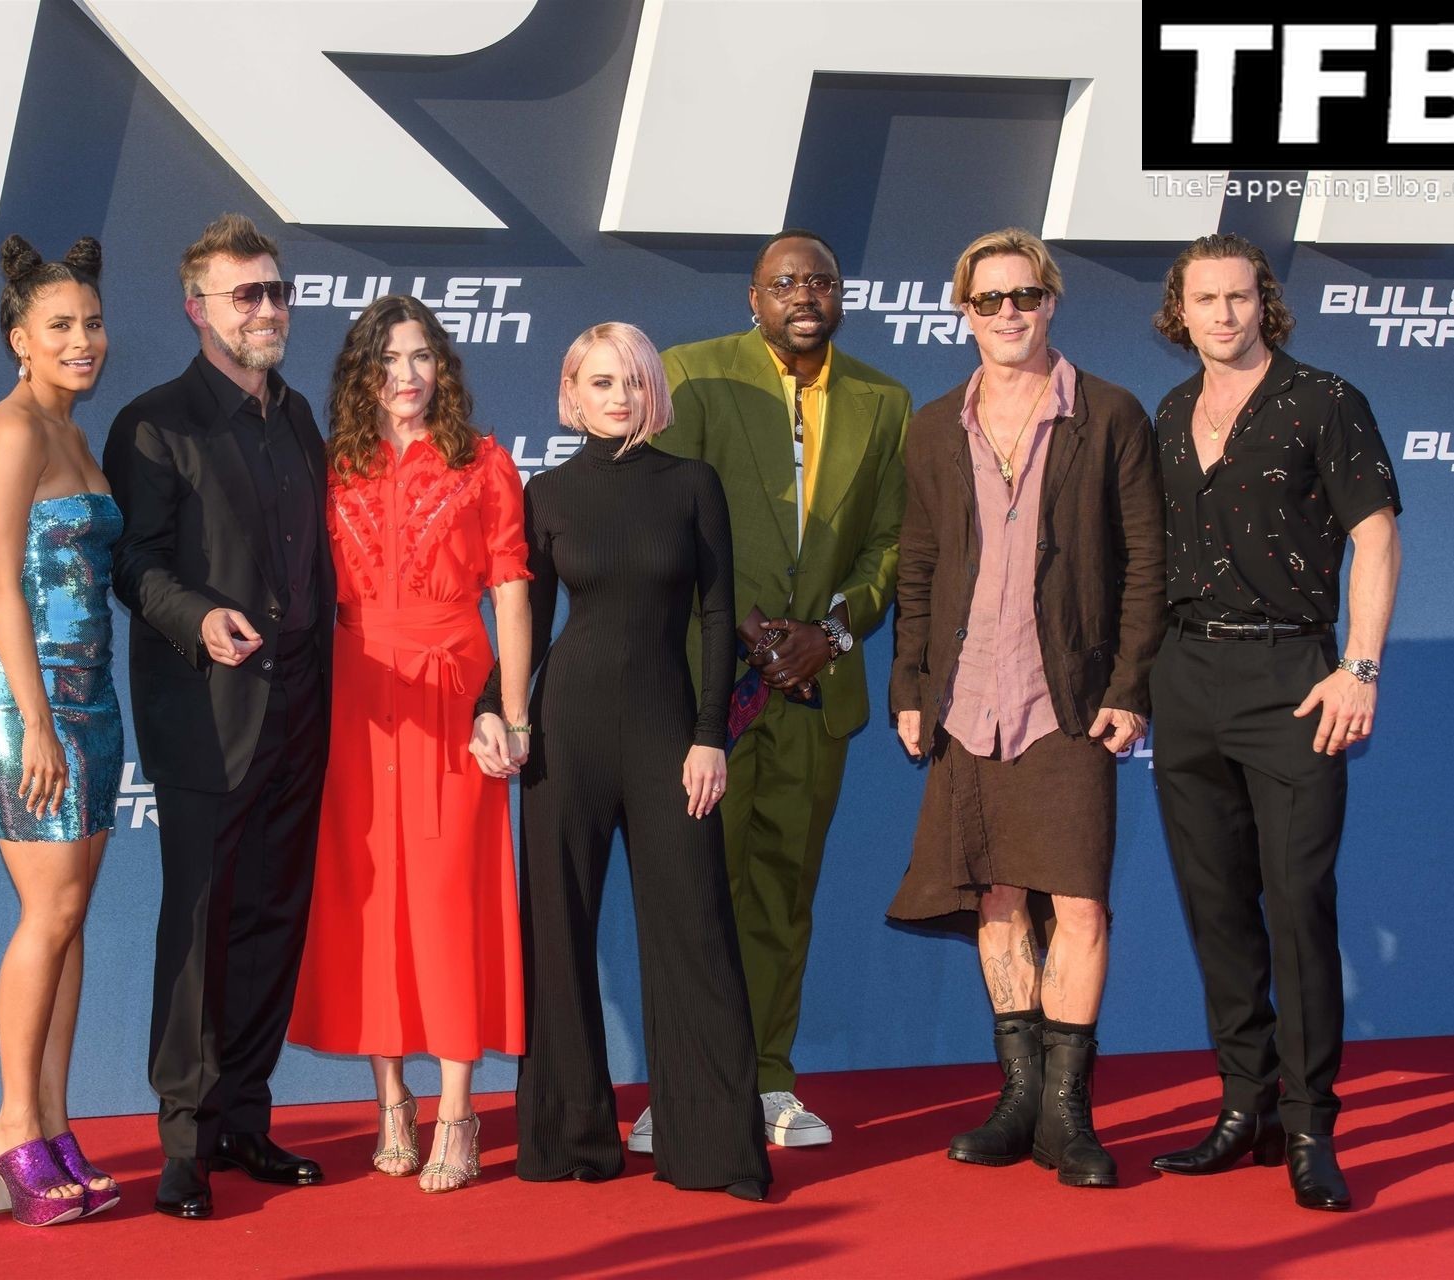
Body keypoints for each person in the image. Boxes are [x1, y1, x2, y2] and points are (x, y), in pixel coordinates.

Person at [885, 228, 1164, 1188]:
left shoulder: (1111, 414)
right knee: (997, 897)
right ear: (963, 312)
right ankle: (1019, 1100)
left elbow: (1146, 565)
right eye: (988, 299)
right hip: (966, 700)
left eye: (1025, 296)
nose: (1008, 314)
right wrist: (910, 686)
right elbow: (918, 565)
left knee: (1078, 901)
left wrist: (1130, 685)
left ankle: (1066, 1115)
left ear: (1052, 301)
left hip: (1069, 700)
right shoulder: (934, 427)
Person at [480, 323, 771, 1200]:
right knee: (556, 931)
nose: (618, 397)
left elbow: (717, 616)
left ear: (654, 391)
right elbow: (527, 622)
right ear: (571, 393)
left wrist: (710, 732)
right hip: (565, 731)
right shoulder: (547, 493)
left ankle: (713, 1150)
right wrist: (492, 705)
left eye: (632, 381)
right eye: (600, 382)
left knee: (695, 929)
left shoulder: (692, 484)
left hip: (667, 731)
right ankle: (570, 1139)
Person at [1146, 234, 1401, 1212]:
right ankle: (1242, 1106)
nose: (1224, 314)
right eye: (1205, 299)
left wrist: (1359, 666)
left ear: (1266, 303)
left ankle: (1308, 1126)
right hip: (1186, 674)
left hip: (1293, 675)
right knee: (1215, 906)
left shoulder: (1324, 401)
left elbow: (1376, 535)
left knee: (1296, 905)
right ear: (1180, 310)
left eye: (1240, 297)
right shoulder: (1171, 414)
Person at [645, 229, 910, 1148]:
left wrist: (829, 634)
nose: (805, 294)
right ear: (752, 299)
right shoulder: (693, 374)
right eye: (785, 281)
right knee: (695, 893)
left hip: (815, 690)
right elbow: (665, 513)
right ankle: (686, 1086)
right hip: (708, 686)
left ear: (841, 297)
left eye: (821, 281)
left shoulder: (884, 399)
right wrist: (750, 628)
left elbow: (891, 546)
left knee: (782, 897)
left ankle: (767, 1082)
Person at [102, 214, 332, 1220]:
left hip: (303, 709)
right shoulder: (153, 423)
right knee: (199, 928)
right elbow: (133, 564)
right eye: (247, 295)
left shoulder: (299, 417)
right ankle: (184, 1144)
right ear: (198, 309)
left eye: (277, 291)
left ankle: (245, 1117)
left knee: (273, 919)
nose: (269, 309)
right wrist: (199, 618)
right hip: (207, 713)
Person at [286, 294, 532, 1194]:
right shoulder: (333, 467)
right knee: (371, 897)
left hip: (451, 694)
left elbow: (511, 591)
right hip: (355, 698)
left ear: (444, 368)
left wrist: (512, 710)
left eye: (422, 355)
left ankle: (458, 1110)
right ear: (362, 373)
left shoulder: (484, 463)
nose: (407, 374)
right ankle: (392, 1100)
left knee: (449, 896)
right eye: (388, 359)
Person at [0, 234, 123, 1227]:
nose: (82, 340)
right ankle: (11, 1128)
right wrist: (35, 724)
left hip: (94, 700)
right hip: (27, 706)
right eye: (60, 325)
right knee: (47, 913)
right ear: (20, 338)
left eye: (92, 323)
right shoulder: (14, 428)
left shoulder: (75, 432)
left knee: (71, 918)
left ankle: (55, 1121)